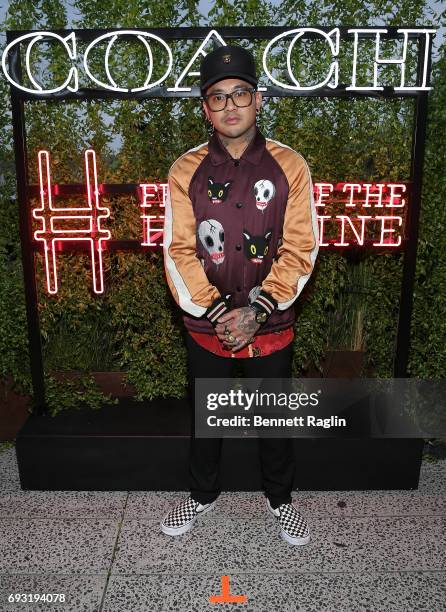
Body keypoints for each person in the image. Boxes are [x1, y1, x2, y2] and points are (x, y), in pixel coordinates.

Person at [161, 44, 319, 545]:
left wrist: (257, 308)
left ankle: (280, 499)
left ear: (259, 100)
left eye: (241, 94)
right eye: (218, 97)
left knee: (273, 416)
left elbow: (301, 246)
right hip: (206, 323)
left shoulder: (289, 165)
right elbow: (178, 250)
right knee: (207, 415)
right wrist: (217, 311)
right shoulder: (185, 169)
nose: (231, 106)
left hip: (270, 323)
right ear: (204, 108)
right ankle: (202, 495)